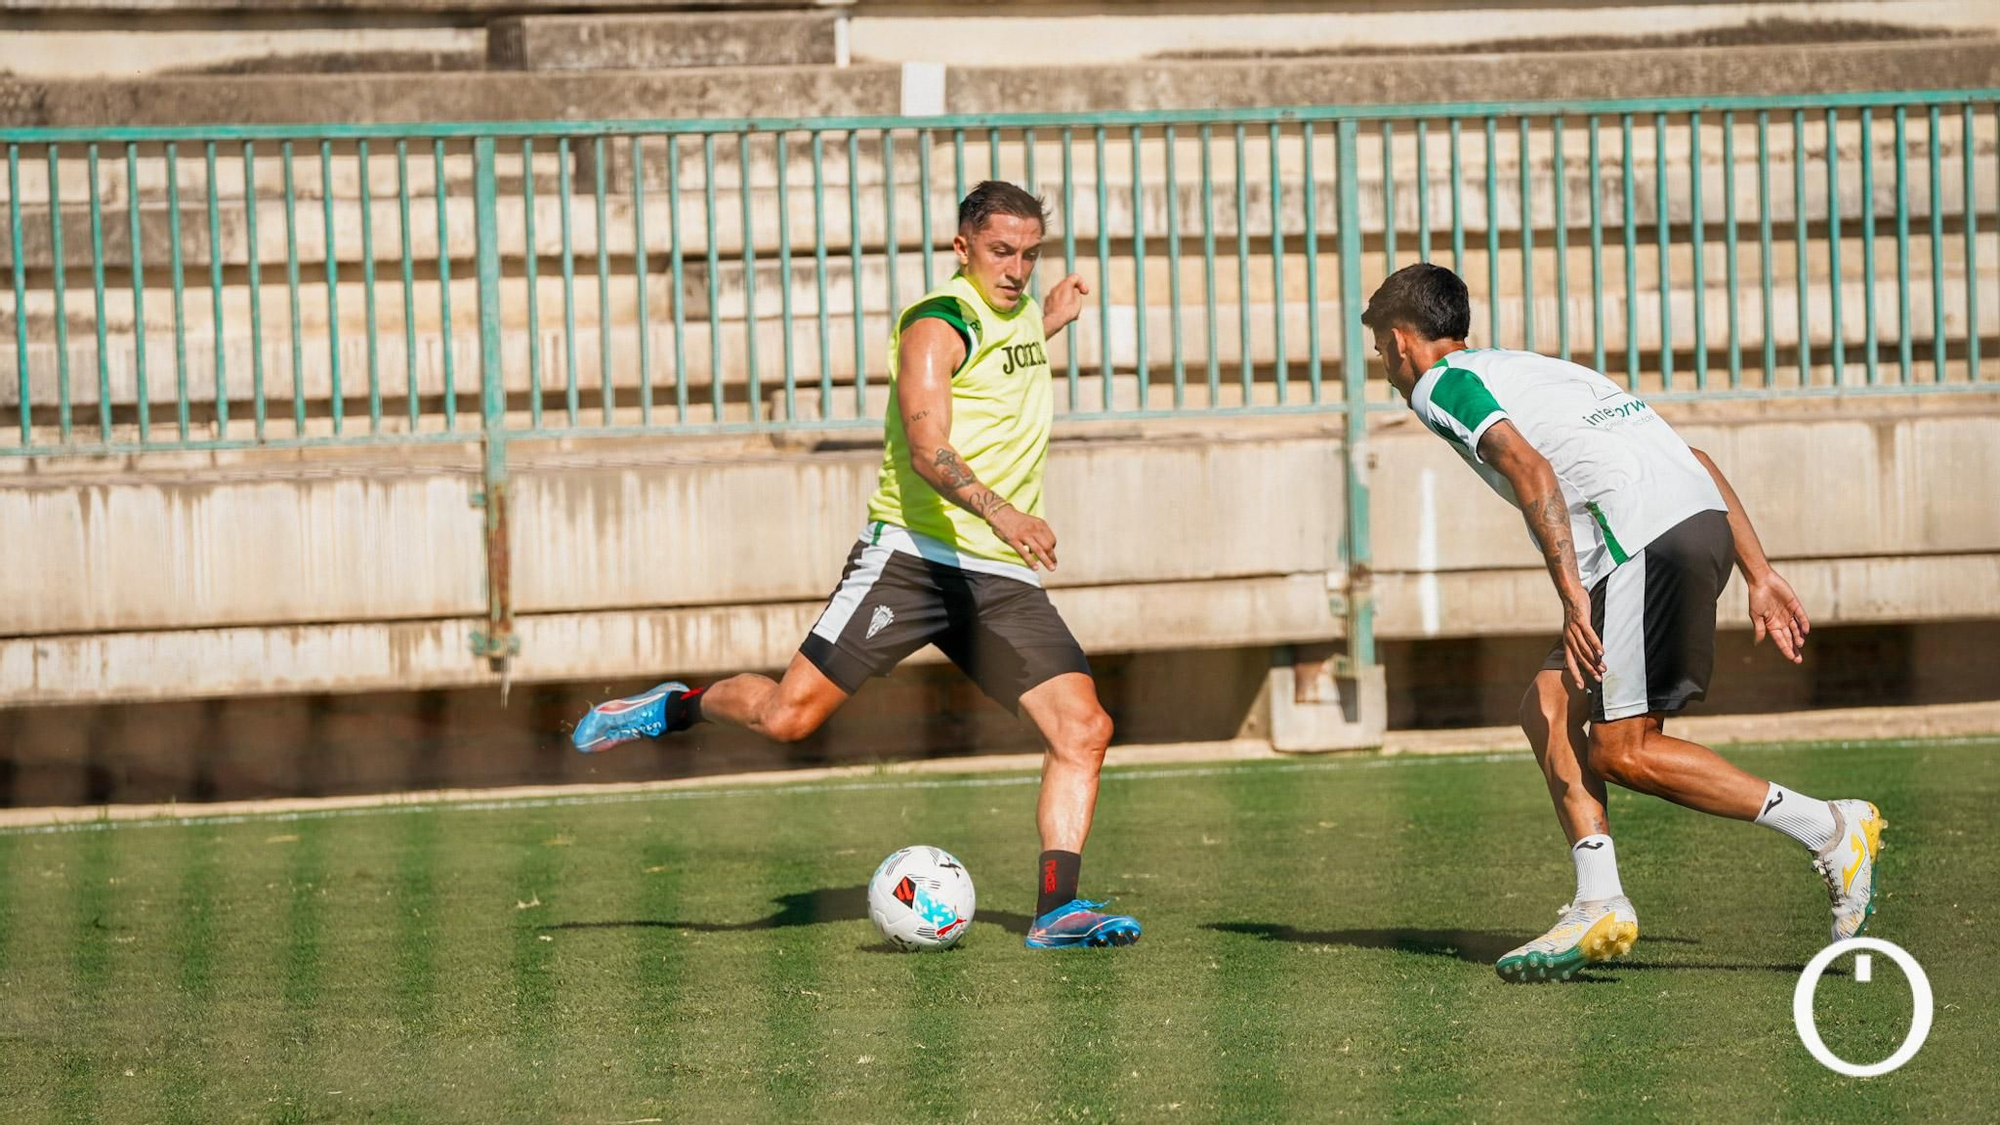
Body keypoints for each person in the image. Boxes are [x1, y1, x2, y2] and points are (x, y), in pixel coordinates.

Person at [571, 181, 1140, 950]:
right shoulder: (936, 324)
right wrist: (1004, 511)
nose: (1017, 269)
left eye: (1030, 254)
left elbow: (1003, 362)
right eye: (1001, 251)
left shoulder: (1017, 315)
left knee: (1084, 727)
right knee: (788, 717)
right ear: (962, 247)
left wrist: (1047, 323)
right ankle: (675, 705)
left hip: (996, 577)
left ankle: (1056, 911)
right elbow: (928, 447)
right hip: (912, 557)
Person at [1361, 262, 1884, 982]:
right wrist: (1759, 573)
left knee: (1623, 751)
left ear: (1400, 341)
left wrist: (1572, 595)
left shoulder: (1437, 385)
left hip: (1641, 544)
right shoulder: (1539, 371)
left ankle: (1829, 828)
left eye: (1380, 351)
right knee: (1548, 705)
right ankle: (1598, 899)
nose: (1385, 366)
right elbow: (1693, 458)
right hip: (1695, 522)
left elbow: (1531, 471)